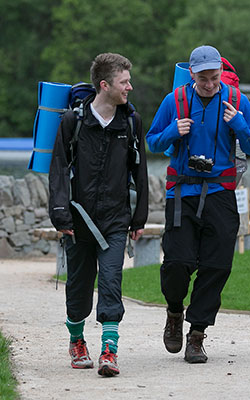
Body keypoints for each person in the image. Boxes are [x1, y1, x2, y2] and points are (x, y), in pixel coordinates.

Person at [146, 45, 250, 364]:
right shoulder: (174, 101)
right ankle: (173, 312)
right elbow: (152, 142)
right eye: (203, 79)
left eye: (214, 78)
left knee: (218, 265)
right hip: (182, 194)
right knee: (177, 264)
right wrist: (173, 130)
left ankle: (197, 334)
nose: (210, 84)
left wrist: (238, 124)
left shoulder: (237, 101)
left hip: (221, 194)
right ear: (192, 75)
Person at [48, 53, 148, 377]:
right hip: (78, 220)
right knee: (78, 286)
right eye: (124, 82)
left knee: (110, 280)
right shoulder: (72, 122)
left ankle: (109, 350)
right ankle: (77, 340)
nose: (129, 87)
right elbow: (59, 170)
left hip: (116, 219)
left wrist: (140, 217)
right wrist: (60, 215)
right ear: (104, 85)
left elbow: (141, 170)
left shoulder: (131, 123)